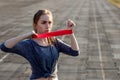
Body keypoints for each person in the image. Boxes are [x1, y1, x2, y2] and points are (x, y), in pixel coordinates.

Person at [0, 9, 80, 80]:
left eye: (50, 22)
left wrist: (70, 32)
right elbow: (4, 47)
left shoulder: (54, 41)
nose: (47, 26)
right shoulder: (29, 45)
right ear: (35, 24)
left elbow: (74, 52)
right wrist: (24, 36)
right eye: (43, 23)